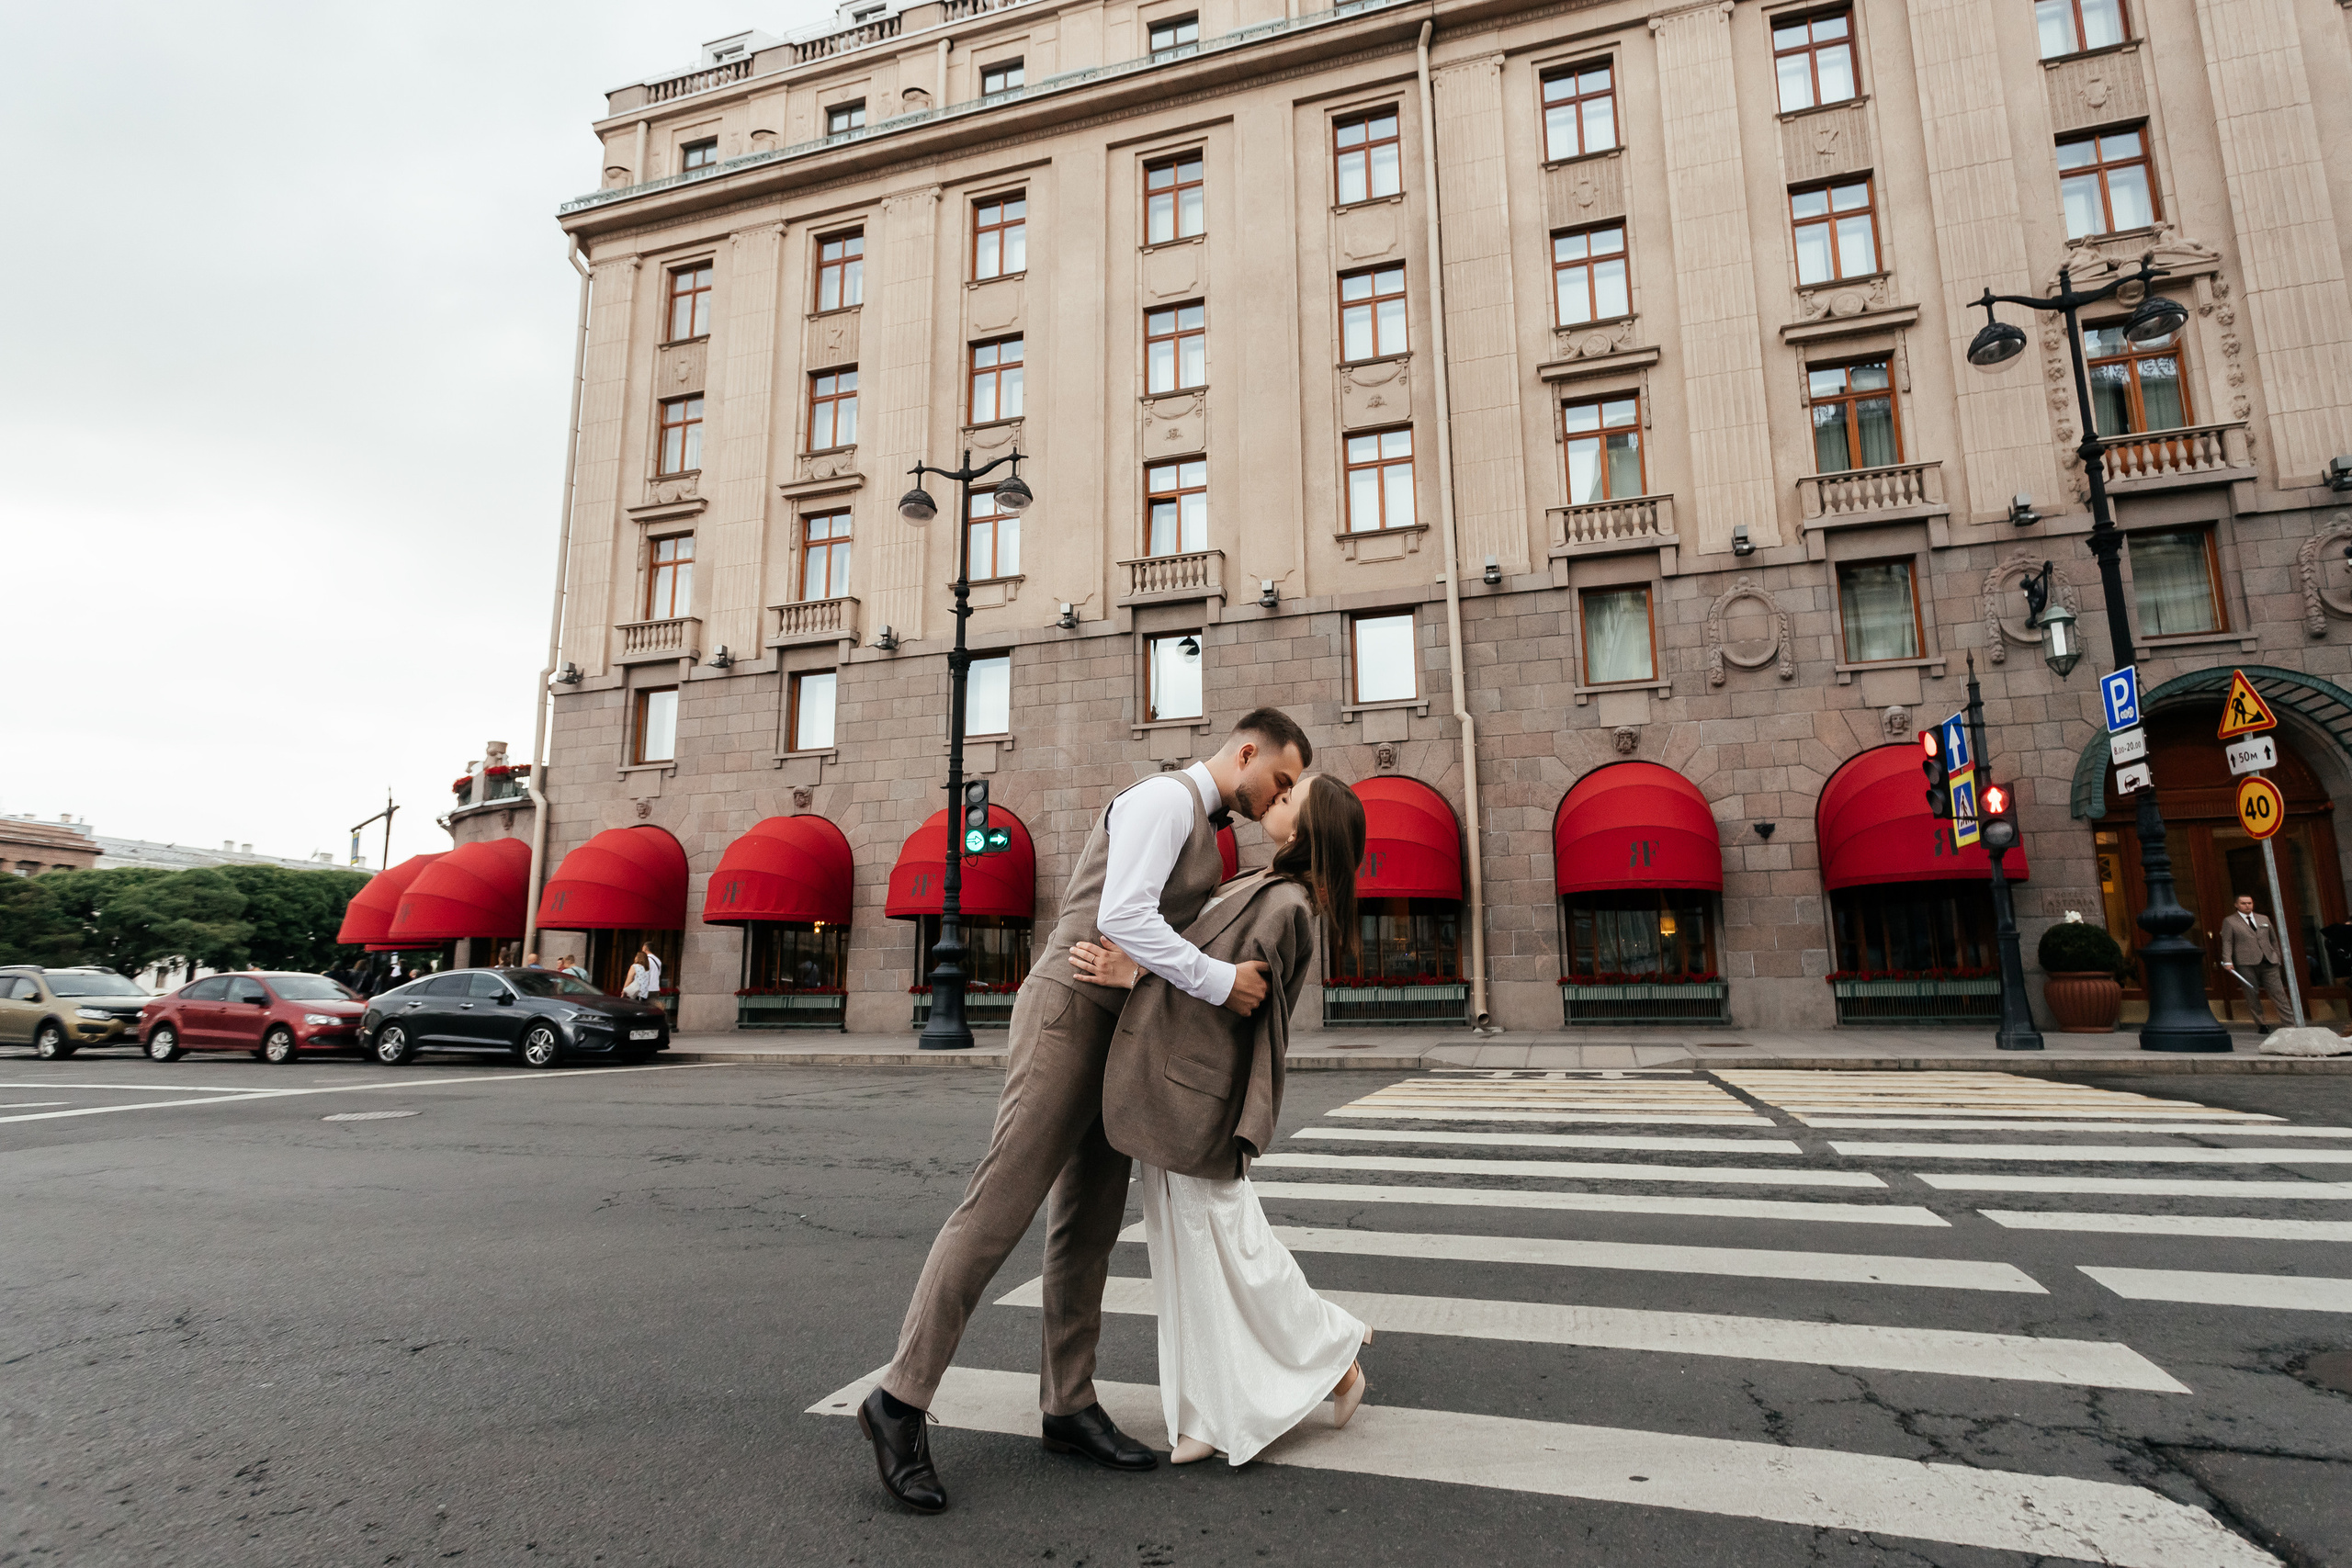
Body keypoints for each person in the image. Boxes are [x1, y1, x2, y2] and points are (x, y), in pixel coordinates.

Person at [856, 707, 1311, 1514]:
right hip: (1070, 1012)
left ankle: (1068, 1402)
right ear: (1246, 751)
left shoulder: (1209, 829)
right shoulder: (1165, 800)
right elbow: (1123, 915)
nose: (1277, 796)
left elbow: (1149, 935)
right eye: (1278, 779)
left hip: (1119, 1029)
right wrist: (1218, 981)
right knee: (997, 1207)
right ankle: (898, 1398)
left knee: (1088, 1224)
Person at [1072, 773, 1371, 1466]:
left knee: (1227, 1246)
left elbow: (1236, 1001)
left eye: (1292, 799)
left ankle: (1331, 1352)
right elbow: (1206, 974)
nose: (1277, 798)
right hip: (1178, 1087)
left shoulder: (1287, 904)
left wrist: (1132, 976)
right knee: (1188, 1252)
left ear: (1310, 830)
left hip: (1201, 1094)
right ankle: (1206, 1409)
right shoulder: (1266, 884)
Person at [2220, 893, 2292, 1033]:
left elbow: (2273, 939)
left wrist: (2277, 956)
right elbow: (2227, 942)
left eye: (2250, 903)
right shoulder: (2230, 921)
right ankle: (2261, 1023)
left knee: (2278, 993)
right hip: (2246, 962)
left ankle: (2290, 1023)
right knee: (2251, 993)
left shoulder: (2263, 919)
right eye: (2243, 903)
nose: (2247, 906)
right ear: (2236, 905)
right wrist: (2227, 960)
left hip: (2268, 961)